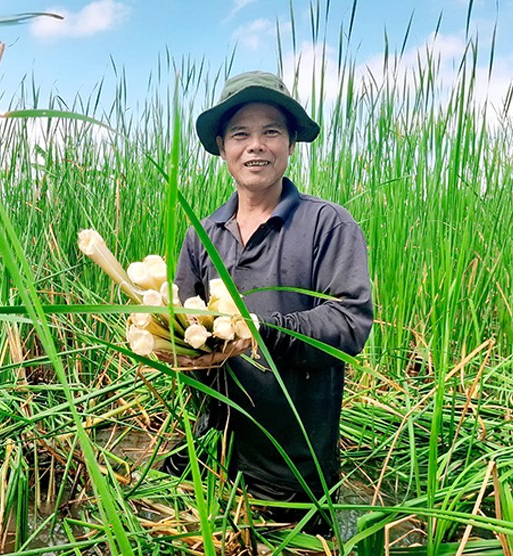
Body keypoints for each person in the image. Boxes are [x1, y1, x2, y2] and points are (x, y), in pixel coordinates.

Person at [161, 71, 374, 534]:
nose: (255, 145)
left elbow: (350, 321)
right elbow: (183, 326)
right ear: (222, 147)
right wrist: (166, 345)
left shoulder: (328, 224)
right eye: (241, 133)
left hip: (294, 470)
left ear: (291, 145)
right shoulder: (201, 235)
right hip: (212, 457)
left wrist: (258, 327)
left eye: (270, 131)